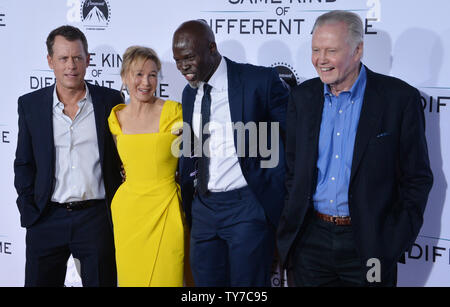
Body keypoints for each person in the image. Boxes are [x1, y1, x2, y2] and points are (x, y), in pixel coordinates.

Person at [277, 10, 433, 286]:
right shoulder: (302, 97)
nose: (320, 60)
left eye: (330, 50)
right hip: (310, 243)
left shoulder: (399, 99)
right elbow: (293, 171)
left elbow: (416, 179)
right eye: (315, 50)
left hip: (370, 247)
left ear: (358, 49)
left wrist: (391, 243)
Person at [172, 20, 289, 286]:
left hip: (247, 207)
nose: (183, 67)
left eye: (189, 57)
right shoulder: (189, 93)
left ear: (212, 48)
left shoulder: (258, 81)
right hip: (203, 207)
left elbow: (292, 136)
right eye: (177, 60)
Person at [14, 25, 122, 287]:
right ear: (50, 61)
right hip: (46, 218)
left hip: (95, 219)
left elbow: (121, 158)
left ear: (87, 60)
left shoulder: (111, 100)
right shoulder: (30, 105)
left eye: (77, 57)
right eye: (63, 58)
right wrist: (29, 208)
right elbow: (24, 163)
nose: (71, 65)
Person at [108, 46, 185, 287]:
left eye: (153, 75)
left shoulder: (173, 112)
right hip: (129, 214)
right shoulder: (116, 118)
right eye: (139, 74)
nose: (146, 81)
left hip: (167, 210)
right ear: (124, 77)